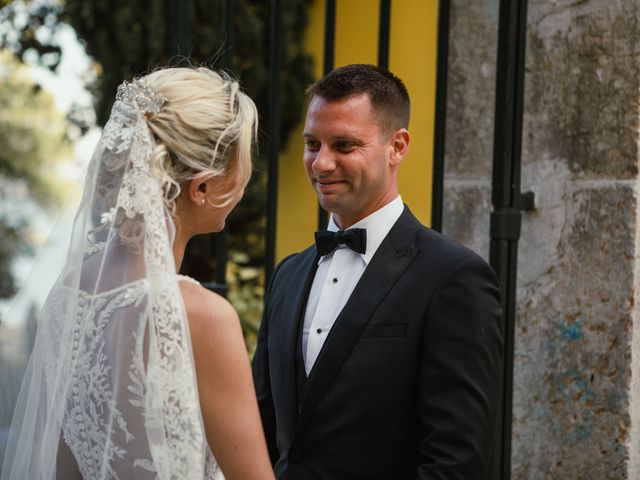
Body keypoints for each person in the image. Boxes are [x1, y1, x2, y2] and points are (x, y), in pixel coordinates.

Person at [1, 67, 274, 480]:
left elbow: (62, 469)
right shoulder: (202, 317)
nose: (246, 176)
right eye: (242, 162)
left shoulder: (67, 294)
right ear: (201, 188)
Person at [253, 63, 503, 479]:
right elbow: (261, 428)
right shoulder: (288, 274)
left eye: (344, 145)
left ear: (398, 146)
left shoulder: (453, 277)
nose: (321, 164)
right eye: (312, 144)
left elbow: (456, 461)